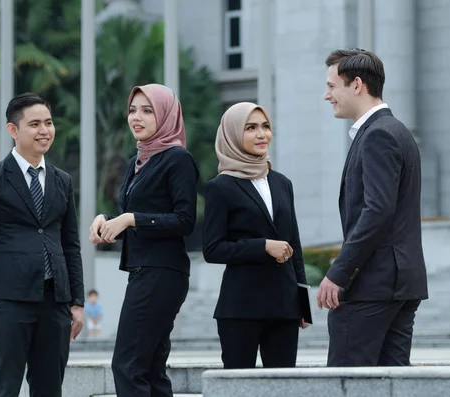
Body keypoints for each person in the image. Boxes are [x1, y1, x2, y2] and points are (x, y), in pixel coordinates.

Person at [0, 92, 85, 397]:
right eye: (34, 124)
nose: (44, 130)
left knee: (49, 390)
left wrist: (76, 301)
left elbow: (70, 244)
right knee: (3, 388)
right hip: (8, 302)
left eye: (48, 123)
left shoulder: (62, 180)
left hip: (55, 302)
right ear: (13, 130)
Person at [318, 48, 428, 367]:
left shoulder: (379, 134)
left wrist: (338, 272)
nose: (327, 95)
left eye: (331, 86)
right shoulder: (396, 131)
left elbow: (377, 211)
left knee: (347, 384)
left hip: (372, 288)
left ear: (356, 85)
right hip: (397, 286)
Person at [89, 84, 199, 397]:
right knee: (149, 368)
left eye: (147, 110)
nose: (137, 117)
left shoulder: (177, 159)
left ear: (165, 115)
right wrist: (106, 221)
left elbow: (185, 220)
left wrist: (131, 219)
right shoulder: (137, 162)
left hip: (162, 271)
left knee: (127, 364)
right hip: (143, 269)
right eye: (133, 110)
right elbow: (133, 211)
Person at [202, 102, 309, 369]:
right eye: (251, 128)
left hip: (284, 309)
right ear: (233, 135)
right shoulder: (220, 188)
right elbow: (213, 249)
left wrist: (303, 304)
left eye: (265, 127)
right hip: (241, 309)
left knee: (283, 390)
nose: (261, 134)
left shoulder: (282, 183)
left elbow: (294, 243)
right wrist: (262, 247)